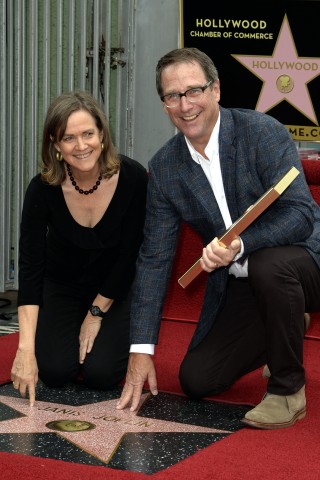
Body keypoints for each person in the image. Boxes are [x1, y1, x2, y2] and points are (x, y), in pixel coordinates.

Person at [116, 47, 320, 429]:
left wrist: (240, 245)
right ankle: (287, 321)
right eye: (172, 96)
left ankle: (287, 390)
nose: (185, 104)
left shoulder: (261, 131)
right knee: (198, 379)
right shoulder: (165, 167)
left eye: (194, 91)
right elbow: (155, 259)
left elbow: (301, 215)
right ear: (164, 104)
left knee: (266, 263)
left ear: (216, 90)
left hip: (306, 261)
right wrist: (140, 348)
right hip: (247, 282)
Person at [11, 90, 148, 406]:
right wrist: (25, 350)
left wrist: (96, 312)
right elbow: (31, 270)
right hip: (61, 286)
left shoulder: (133, 178)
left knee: (102, 375)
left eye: (88, 133)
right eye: (68, 138)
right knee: (55, 372)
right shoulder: (42, 188)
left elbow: (130, 255)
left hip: (115, 287)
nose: (81, 145)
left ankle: (96, 338)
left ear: (102, 134)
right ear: (55, 144)